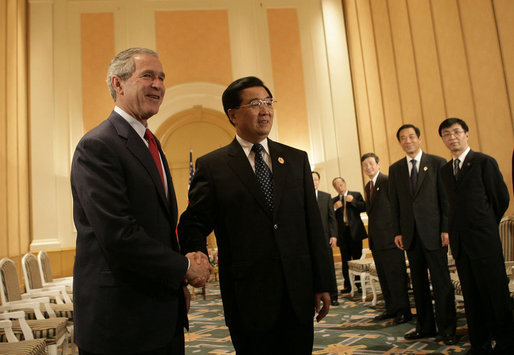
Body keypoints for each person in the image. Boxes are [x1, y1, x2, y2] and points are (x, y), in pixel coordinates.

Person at [70, 48, 212, 355]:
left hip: (160, 312)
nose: (158, 85)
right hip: (121, 321)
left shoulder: (151, 142)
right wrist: (184, 266)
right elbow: (118, 235)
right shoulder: (98, 146)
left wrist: (177, 284)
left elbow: (159, 226)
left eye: (161, 77)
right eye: (147, 75)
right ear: (117, 84)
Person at [177, 76, 332, 354]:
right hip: (248, 295)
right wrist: (196, 256)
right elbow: (194, 222)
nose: (265, 110)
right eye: (255, 103)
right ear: (233, 115)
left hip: (298, 290)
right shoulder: (213, 166)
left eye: (268, 102)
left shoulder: (296, 160)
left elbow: (312, 225)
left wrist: (323, 283)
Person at [438, 117, 514, 354]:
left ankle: (505, 343)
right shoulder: (444, 171)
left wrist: (485, 225)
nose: (452, 137)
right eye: (446, 134)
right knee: (471, 298)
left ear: (466, 134)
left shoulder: (483, 162)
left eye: (456, 132)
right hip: (461, 245)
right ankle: (479, 344)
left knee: (496, 294)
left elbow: (500, 198)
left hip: (484, 242)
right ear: (443, 139)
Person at [388, 124, 457, 345]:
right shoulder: (396, 169)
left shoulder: (437, 163)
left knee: (441, 283)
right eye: (403, 138)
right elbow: (395, 204)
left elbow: (446, 199)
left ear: (419, 138)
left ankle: (448, 329)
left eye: (411, 136)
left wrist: (446, 228)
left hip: (435, 233)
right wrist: (398, 231)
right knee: (418, 284)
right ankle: (425, 327)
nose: (407, 141)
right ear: (400, 142)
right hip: (410, 235)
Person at [361, 153, 412, 324]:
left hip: (391, 239)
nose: (368, 167)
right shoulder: (368, 186)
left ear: (378, 164)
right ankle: (391, 309)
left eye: (370, 163)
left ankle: (403, 312)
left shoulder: (387, 181)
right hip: (377, 241)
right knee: (384, 277)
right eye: (365, 165)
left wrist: (400, 233)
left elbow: (398, 209)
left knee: (396, 277)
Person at [331, 177, 367, 294]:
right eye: (336, 186)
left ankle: (359, 284)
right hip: (342, 234)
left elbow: (364, 207)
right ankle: (348, 285)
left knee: (357, 259)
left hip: (355, 233)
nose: (339, 188)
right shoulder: (334, 200)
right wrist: (335, 208)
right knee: (345, 260)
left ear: (345, 183)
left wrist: (353, 201)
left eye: (341, 184)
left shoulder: (355, 195)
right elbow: (330, 217)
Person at [312, 171, 339, 306]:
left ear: (319, 181)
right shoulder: (302, 196)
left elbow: (331, 218)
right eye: (311, 179)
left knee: (328, 267)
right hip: (310, 241)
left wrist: (333, 235)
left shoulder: (326, 197)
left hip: (325, 239)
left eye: (316, 179)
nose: (314, 182)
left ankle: (333, 295)